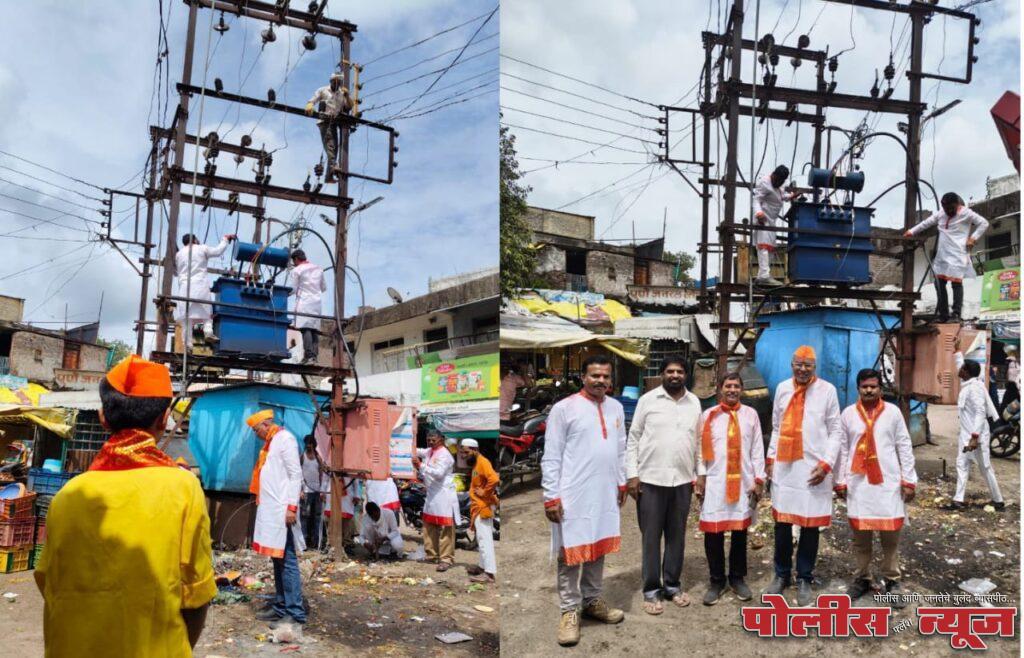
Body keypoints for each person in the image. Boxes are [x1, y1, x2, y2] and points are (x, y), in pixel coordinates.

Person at [35, 355, 216, 656]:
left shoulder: (67, 496)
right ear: (164, 418)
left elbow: (49, 586)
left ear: (103, 417)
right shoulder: (183, 488)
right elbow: (197, 599)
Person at [542, 354, 627, 647]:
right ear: (583, 377)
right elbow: (551, 455)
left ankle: (592, 601)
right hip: (573, 494)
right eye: (595, 376)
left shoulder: (616, 407)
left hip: (604, 492)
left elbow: (621, 448)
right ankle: (569, 610)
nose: (600, 381)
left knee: (597, 546)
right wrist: (551, 496)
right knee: (571, 553)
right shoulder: (564, 409)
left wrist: (621, 480)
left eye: (605, 376)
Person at [765, 345, 842, 607]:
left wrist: (827, 464)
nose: (802, 369)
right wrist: (771, 458)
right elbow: (776, 426)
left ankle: (805, 578)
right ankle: (781, 574)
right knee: (783, 524)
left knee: (810, 526)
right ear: (791, 364)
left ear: (814, 367)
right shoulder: (783, 389)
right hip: (786, 467)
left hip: (814, 468)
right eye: (798, 364)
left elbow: (835, 431)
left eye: (808, 365)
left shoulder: (827, 391)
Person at [834, 369, 917, 608]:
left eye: (873, 386)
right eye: (864, 386)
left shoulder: (892, 413)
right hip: (858, 485)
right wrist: (840, 480)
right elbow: (842, 448)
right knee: (861, 538)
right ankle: (862, 578)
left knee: (890, 537)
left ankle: (892, 580)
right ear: (858, 388)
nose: (869, 390)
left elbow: (904, 445)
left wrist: (909, 480)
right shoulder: (848, 414)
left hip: (887, 484)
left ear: (880, 388)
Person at [625, 355, 702, 614]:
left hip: (682, 481)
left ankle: (672, 585)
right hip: (650, 480)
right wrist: (632, 475)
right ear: (662, 374)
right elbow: (633, 438)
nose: (675, 375)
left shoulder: (694, 403)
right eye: (670, 371)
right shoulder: (648, 401)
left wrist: (699, 475)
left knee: (677, 537)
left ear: (686, 374)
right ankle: (651, 590)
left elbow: (699, 443)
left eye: (680, 371)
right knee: (650, 538)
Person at [696, 371, 765, 606]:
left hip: (743, 481)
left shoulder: (751, 415)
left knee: (739, 533)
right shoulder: (709, 416)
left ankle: (737, 578)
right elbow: (700, 451)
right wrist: (701, 478)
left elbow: (757, 449)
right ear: (720, 389)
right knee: (713, 533)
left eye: (736, 386)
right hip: (716, 482)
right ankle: (716, 580)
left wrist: (759, 479)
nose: (732, 390)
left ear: (742, 390)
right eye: (728, 386)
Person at [246, 409, 306, 626]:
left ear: (265, 424)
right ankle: (281, 607)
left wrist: (291, 507)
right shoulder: (270, 443)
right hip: (270, 509)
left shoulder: (285, 439)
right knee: (277, 558)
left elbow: (295, 474)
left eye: (255, 430)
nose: (255, 434)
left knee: (287, 561)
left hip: (282, 510)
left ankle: (295, 612)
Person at [905, 192, 989, 323]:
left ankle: (956, 315)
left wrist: (973, 238)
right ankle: (943, 315)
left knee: (956, 283)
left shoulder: (966, 213)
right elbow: (926, 223)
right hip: (942, 254)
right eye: (946, 208)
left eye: (951, 208)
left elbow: (984, 223)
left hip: (958, 254)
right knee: (939, 283)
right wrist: (911, 231)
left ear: (957, 205)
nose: (949, 211)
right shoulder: (941, 214)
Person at [947, 352, 1004, 511]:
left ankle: (998, 500)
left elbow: (980, 413)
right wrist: (957, 352)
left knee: (984, 466)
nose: (959, 370)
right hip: (968, 434)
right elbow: (960, 366)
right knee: (962, 464)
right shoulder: (968, 382)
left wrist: (974, 437)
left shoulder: (975, 389)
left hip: (975, 435)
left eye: (962, 368)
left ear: (966, 373)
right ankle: (958, 500)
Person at [175, 233, 236, 347]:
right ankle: (208, 332)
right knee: (207, 313)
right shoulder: (202, 248)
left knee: (186, 318)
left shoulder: (179, 254)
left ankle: (187, 344)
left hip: (184, 288)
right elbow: (218, 251)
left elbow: (178, 271)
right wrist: (225, 239)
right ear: (194, 239)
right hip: (200, 286)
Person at [412, 429, 460, 572]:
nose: (431, 442)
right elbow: (417, 451)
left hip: (444, 493)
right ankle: (431, 554)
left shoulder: (445, 455)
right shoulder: (429, 451)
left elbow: (439, 474)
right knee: (428, 524)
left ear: (441, 439)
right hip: (432, 493)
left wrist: (420, 466)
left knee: (446, 528)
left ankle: (446, 559)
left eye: (434, 440)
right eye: (429, 440)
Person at [460, 438, 499, 584]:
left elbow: (494, 479)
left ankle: (489, 574)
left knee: (485, 541)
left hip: (483, 507)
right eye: (462, 452)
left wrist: (486, 492)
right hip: (477, 506)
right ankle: (483, 567)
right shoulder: (477, 463)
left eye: (466, 452)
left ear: (474, 450)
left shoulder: (483, 462)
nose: (463, 455)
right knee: (481, 539)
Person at [305, 72, 352, 182]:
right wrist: (310, 104)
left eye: (338, 82)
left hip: (334, 123)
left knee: (334, 148)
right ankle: (333, 166)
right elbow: (313, 99)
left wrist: (347, 95)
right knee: (330, 145)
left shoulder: (341, 94)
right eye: (334, 81)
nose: (336, 84)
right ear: (330, 81)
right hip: (324, 121)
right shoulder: (323, 90)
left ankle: (329, 176)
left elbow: (348, 106)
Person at [752, 165, 794, 286]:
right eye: (778, 180)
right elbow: (756, 199)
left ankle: (762, 276)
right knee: (764, 247)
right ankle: (764, 276)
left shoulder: (779, 185)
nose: (779, 183)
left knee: (770, 247)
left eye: (781, 181)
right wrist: (759, 213)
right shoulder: (764, 183)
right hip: (763, 219)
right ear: (774, 175)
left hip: (771, 221)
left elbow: (779, 196)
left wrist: (790, 196)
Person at [287, 249, 327, 364]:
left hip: (304, 302)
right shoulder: (318, 269)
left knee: (305, 329)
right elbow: (323, 288)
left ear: (296, 259)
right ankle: (314, 357)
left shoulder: (297, 270)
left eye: (293, 261)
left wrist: (284, 293)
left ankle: (308, 355)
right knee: (314, 330)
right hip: (316, 303)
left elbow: (293, 289)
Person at [300, 434, 329, 552]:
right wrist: (300, 490)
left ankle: (317, 542)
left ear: (314, 445)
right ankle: (304, 542)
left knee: (317, 517)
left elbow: (322, 474)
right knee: (304, 517)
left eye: (311, 443)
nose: (309, 445)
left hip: (317, 491)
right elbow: (298, 474)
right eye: (307, 443)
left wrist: (322, 490)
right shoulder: (302, 457)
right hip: (306, 491)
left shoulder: (318, 458)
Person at [1001, 346, 1020, 414]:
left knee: (1011, 403)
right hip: (1012, 385)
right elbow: (1007, 374)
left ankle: (1008, 417)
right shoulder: (1010, 361)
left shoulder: (1014, 361)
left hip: (1014, 386)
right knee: (1009, 403)